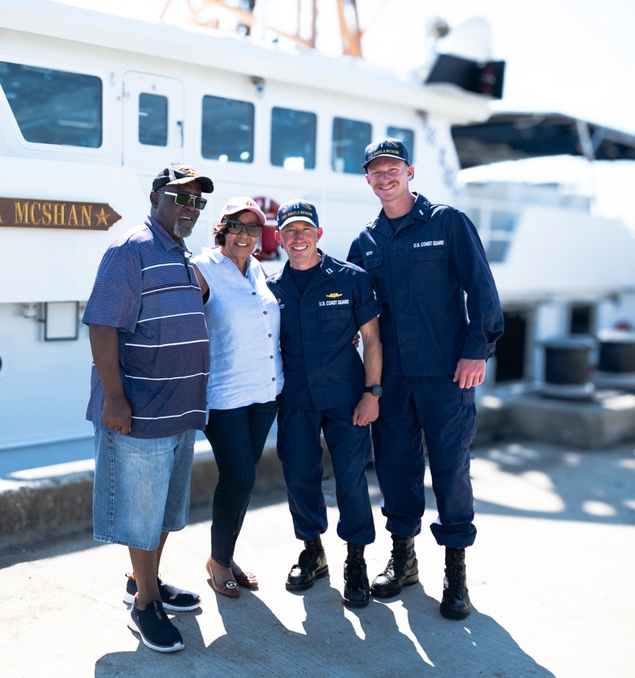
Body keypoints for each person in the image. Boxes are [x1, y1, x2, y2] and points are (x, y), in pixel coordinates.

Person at [347, 138, 504, 620]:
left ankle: (455, 573)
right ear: (368, 180)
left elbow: (481, 288)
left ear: (409, 171)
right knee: (395, 468)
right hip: (391, 380)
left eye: (393, 167)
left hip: (445, 375)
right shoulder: (365, 242)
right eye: (376, 171)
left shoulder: (447, 222)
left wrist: (477, 348)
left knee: (451, 470)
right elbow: (358, 316)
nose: (385, 176)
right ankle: (404, 559)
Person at [83, 165, 213, 653]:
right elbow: (101, 325)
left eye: (198, 203)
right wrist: (115, 398)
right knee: (141, 512)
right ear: (157, 196)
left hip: (177, 408)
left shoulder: (177, 251)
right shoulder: (131, 248)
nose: (190, 208)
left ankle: (146, 583)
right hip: (140, 412)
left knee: (160, 510)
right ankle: (145, 606)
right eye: (181, 198)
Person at [266, 199, 383, 608]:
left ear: (318, 234)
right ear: (279, 237)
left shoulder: (351, 279)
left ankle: (356, 561)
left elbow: (371, 339)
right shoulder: (269, 287)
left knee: (351, 478)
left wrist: (373, 393)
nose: (297, 238)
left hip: (347, 397)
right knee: (300, 476)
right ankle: (313, 553)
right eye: (289, 231)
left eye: (305, 230)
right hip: (295, 399)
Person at [190, 197, 283, 599]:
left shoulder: (259, 269)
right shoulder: (201, 268)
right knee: (239, 476)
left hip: (265, 392)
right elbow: (179, 322)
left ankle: (223, 556)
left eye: (252, 227)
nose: (244, 235)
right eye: (236, 226)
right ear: (222, 229)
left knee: (244, 482)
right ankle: (219, 562)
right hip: (224, 394)